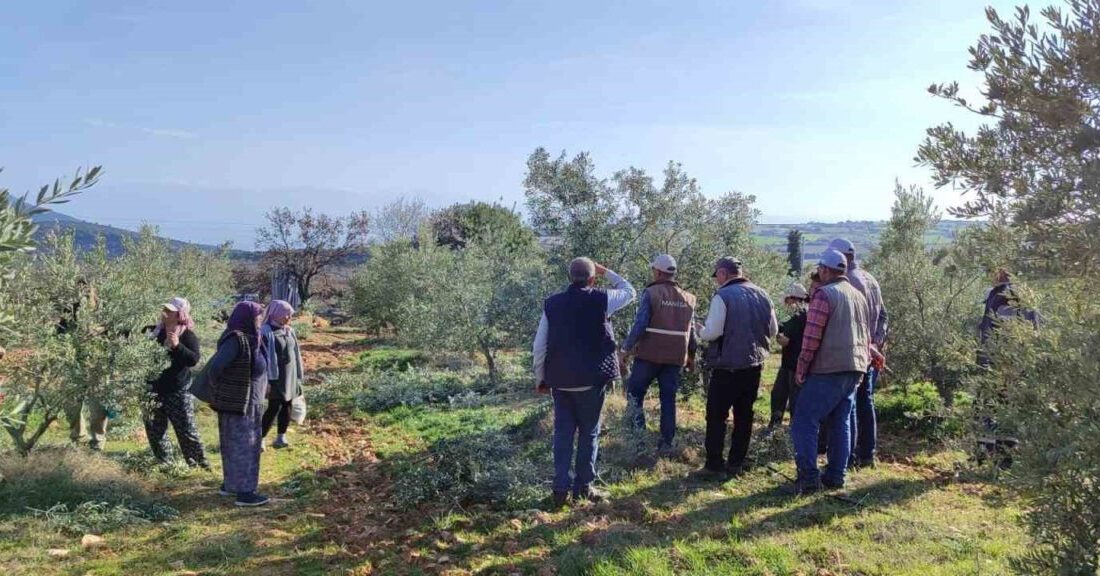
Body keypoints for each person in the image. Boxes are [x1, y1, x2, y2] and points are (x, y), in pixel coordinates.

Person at [533, 257, 635, 509]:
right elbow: (630, 292)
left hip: (560, 381)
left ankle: (559, 490)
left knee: (563, 434)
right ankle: (583, 488)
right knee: (589, 433)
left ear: (570, 277)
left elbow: (539, 345)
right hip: (591, 381)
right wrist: (606, 271)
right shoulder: (602, 299)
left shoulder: (552, 304)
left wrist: (540, 377)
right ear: (592, 279)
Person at [784, 249, 875, 494]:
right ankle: (836, 476)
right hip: (855, 367)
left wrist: (801, 368)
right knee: (840, 421)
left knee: (804, 420)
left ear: (825, 270)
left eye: (820, 270)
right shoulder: (858, 295)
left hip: (828, 368)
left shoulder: (824, 295)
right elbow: (867, 335)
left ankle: (809, 478)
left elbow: (811, 337)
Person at [697, 257, 778, 479]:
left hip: (727, 366)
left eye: (717, 276)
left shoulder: (722, 296)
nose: (717, 281)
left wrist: (699, 330)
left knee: (716, 416)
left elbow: (713, 332)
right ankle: (736, 463)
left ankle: (714, 465)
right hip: (754, 366)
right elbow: (772, 330)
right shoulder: (763, 294)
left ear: (723, 273)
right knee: (744, 416)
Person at [621, 254, 697, 453]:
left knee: (635, 394)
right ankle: (667, 443)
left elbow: (640, 324)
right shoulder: (689, 298)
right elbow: (692, 331)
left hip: (649, 355)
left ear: (658, 272)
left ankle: (638, 439)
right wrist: (691, 356)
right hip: (675, 358)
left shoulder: (651, 293)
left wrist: (625, 350)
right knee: (668, 400)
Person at [827, 238, 888, 469]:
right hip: (870, 352)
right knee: (866, 402)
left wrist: (867, 346)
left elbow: (855, 322)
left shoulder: (848, 282)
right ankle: (867, 453)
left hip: (856, 353)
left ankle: (849, 457)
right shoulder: (870, 278)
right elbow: (883, 316)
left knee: (850, 405)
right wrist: (877, 344)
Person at [206, 301, 270, 507]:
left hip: (249, 400)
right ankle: (245, 493)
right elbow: (216, 367)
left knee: (234, 444)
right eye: (257, 317)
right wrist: (229, 386)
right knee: (245, 445)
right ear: (247, 318)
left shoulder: (252, 338)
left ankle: (231, 485)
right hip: (240, 401)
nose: (260, 321)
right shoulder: (236, 339)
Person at [144, 297, 209, 468]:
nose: (165, 313)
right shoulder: (151, 331)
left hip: (177, 390)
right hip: (152, 389)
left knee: (186, 429)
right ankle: (165, 463)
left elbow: (193, 360)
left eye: (170, 310)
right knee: (154, 429)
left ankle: (198, 463)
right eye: (164, 309)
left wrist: (177, 346)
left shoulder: (187, 335)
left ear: (180, 314)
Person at [59, 279, 110, 451]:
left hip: (98, 365)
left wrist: (101, 330)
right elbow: (58, 335)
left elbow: (120, 334)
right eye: (80, 290)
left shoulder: (104, 310)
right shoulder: (69, 311)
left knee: (98, 409)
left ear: (94, 290)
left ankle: (97, 444)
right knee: (71, 406)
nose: (84, 294)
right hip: (74, 364)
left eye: (87, 290)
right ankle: (78, 440)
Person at [260, 300, 304, 450]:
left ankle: (281, 437)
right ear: (275, 314)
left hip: (290, 375)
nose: (288, 317)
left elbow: (296, 353)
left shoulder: (289, 331)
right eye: (285, 314)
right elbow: (263, 357)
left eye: (290, 315)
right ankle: (260, 438)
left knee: (287, 404)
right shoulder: (265, 332)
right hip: (275, 376)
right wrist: (266, 381)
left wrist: (298, 375)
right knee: (274, 406)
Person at [768, 283, 810, 429]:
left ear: (794, 299)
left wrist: (786, 341)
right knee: (778, 394)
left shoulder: (803, 316)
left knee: (794, 399)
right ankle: (775, 425)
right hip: (787, 364)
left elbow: (794, 340)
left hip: (796, 365)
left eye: (787, 300)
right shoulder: (793, 316)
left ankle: (794, 432)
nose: (786, 304)